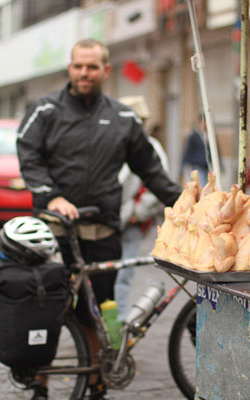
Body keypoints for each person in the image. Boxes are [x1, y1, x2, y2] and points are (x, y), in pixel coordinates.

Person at [16, 38, 181, 400]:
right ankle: (40, 382)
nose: (84, 73)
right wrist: (52, 196)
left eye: (92, 67)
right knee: (50, 310)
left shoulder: (123, 118)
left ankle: (97, 381)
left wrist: (187, 204)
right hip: (55, 231)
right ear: (70, 68)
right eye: (78, 66)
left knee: (99, 310)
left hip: (103, 230)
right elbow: (29, 156)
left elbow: (152, 172)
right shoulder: (45, 110)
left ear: (106, 70)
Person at [115, 95, 169, 321]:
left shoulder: (151, 147)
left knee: (124, 273)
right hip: (107, 221)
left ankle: (119, 320)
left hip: (131, 222)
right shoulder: (110, 143)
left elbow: (159, 184)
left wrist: (137, 212)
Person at [181, 114, 211, 186]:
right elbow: (187, 151)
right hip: (197, 165)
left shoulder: (209, 135)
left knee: (206, 184)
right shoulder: (193, 136)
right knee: (200, 184)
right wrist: (183, 166)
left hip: (206, 165)